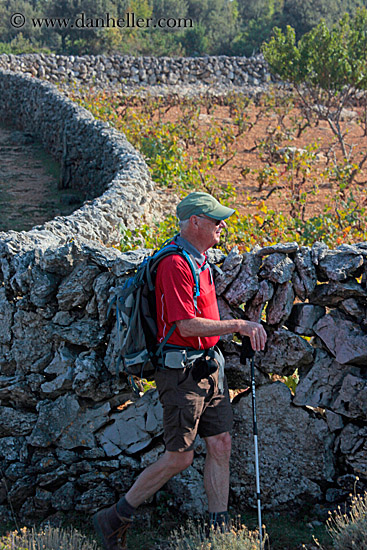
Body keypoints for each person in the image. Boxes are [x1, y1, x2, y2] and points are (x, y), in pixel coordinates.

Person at [93, 192, 267, 550]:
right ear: (195, 222)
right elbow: (185, 326)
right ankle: (114, 517)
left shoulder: (199, 260)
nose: (222, 225)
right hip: (181, 374)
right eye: (215, 219)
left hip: (207, 367)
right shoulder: (175, 264)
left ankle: (219, 534)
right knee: (180, 457)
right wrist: (238, 325)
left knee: (220, 444)